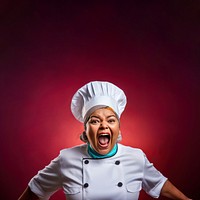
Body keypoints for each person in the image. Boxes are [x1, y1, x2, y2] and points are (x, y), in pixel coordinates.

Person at [18, 81, 192, 200]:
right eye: (94, 121)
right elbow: (36, 190)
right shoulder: (66, 159)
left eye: (111, 120)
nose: (103, 125)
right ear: (85, 130)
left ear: (118, 127)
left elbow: (160, 184)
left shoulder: (136, 157)